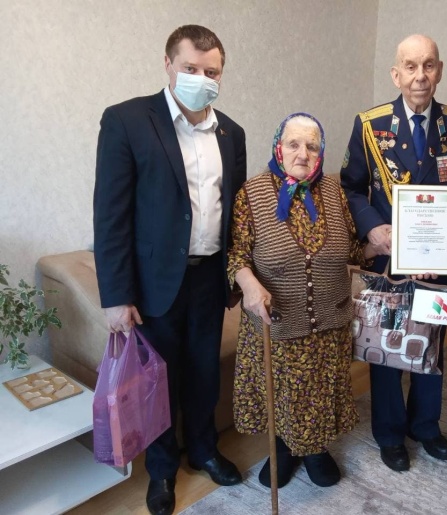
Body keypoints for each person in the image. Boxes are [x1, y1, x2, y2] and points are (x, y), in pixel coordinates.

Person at [93, 25, 246, 515]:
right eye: (191, 68)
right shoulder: (127, 121)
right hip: (153, 283)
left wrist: (236, 275)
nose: (202, 78)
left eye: (212, 71)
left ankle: (203, 450)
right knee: (159, 381)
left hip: (209, 277)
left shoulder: (232, 133)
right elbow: (111, 215)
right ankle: (161, 471)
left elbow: (234, 213)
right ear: (168, 64)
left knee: (204, 374)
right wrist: (116, 295)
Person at [340, 34, 447, 472]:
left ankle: (425, 426)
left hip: (439, 262)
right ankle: (388, 432)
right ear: (396, 74)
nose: (420, 76)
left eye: (429, 65)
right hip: (387, 261)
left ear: (439, 70)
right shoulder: (370, 124)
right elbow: (350, 187)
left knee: (431, 343)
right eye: (411, 66)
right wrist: (372, 227)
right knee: (385, 345)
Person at [228, 113, 377, 489]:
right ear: (278, 147)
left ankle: (315, 449)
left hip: (330, 319)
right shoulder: (252, 193)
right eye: (293, 144)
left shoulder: (335, 192)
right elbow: (236, 254)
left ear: (321, 152)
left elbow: (352, 251)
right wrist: (249, 284)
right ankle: (282, 447)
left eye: (312, 145)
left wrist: (377, 246)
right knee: (281, 391)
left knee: (320, 391)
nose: (303, 153)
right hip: (277, 321)